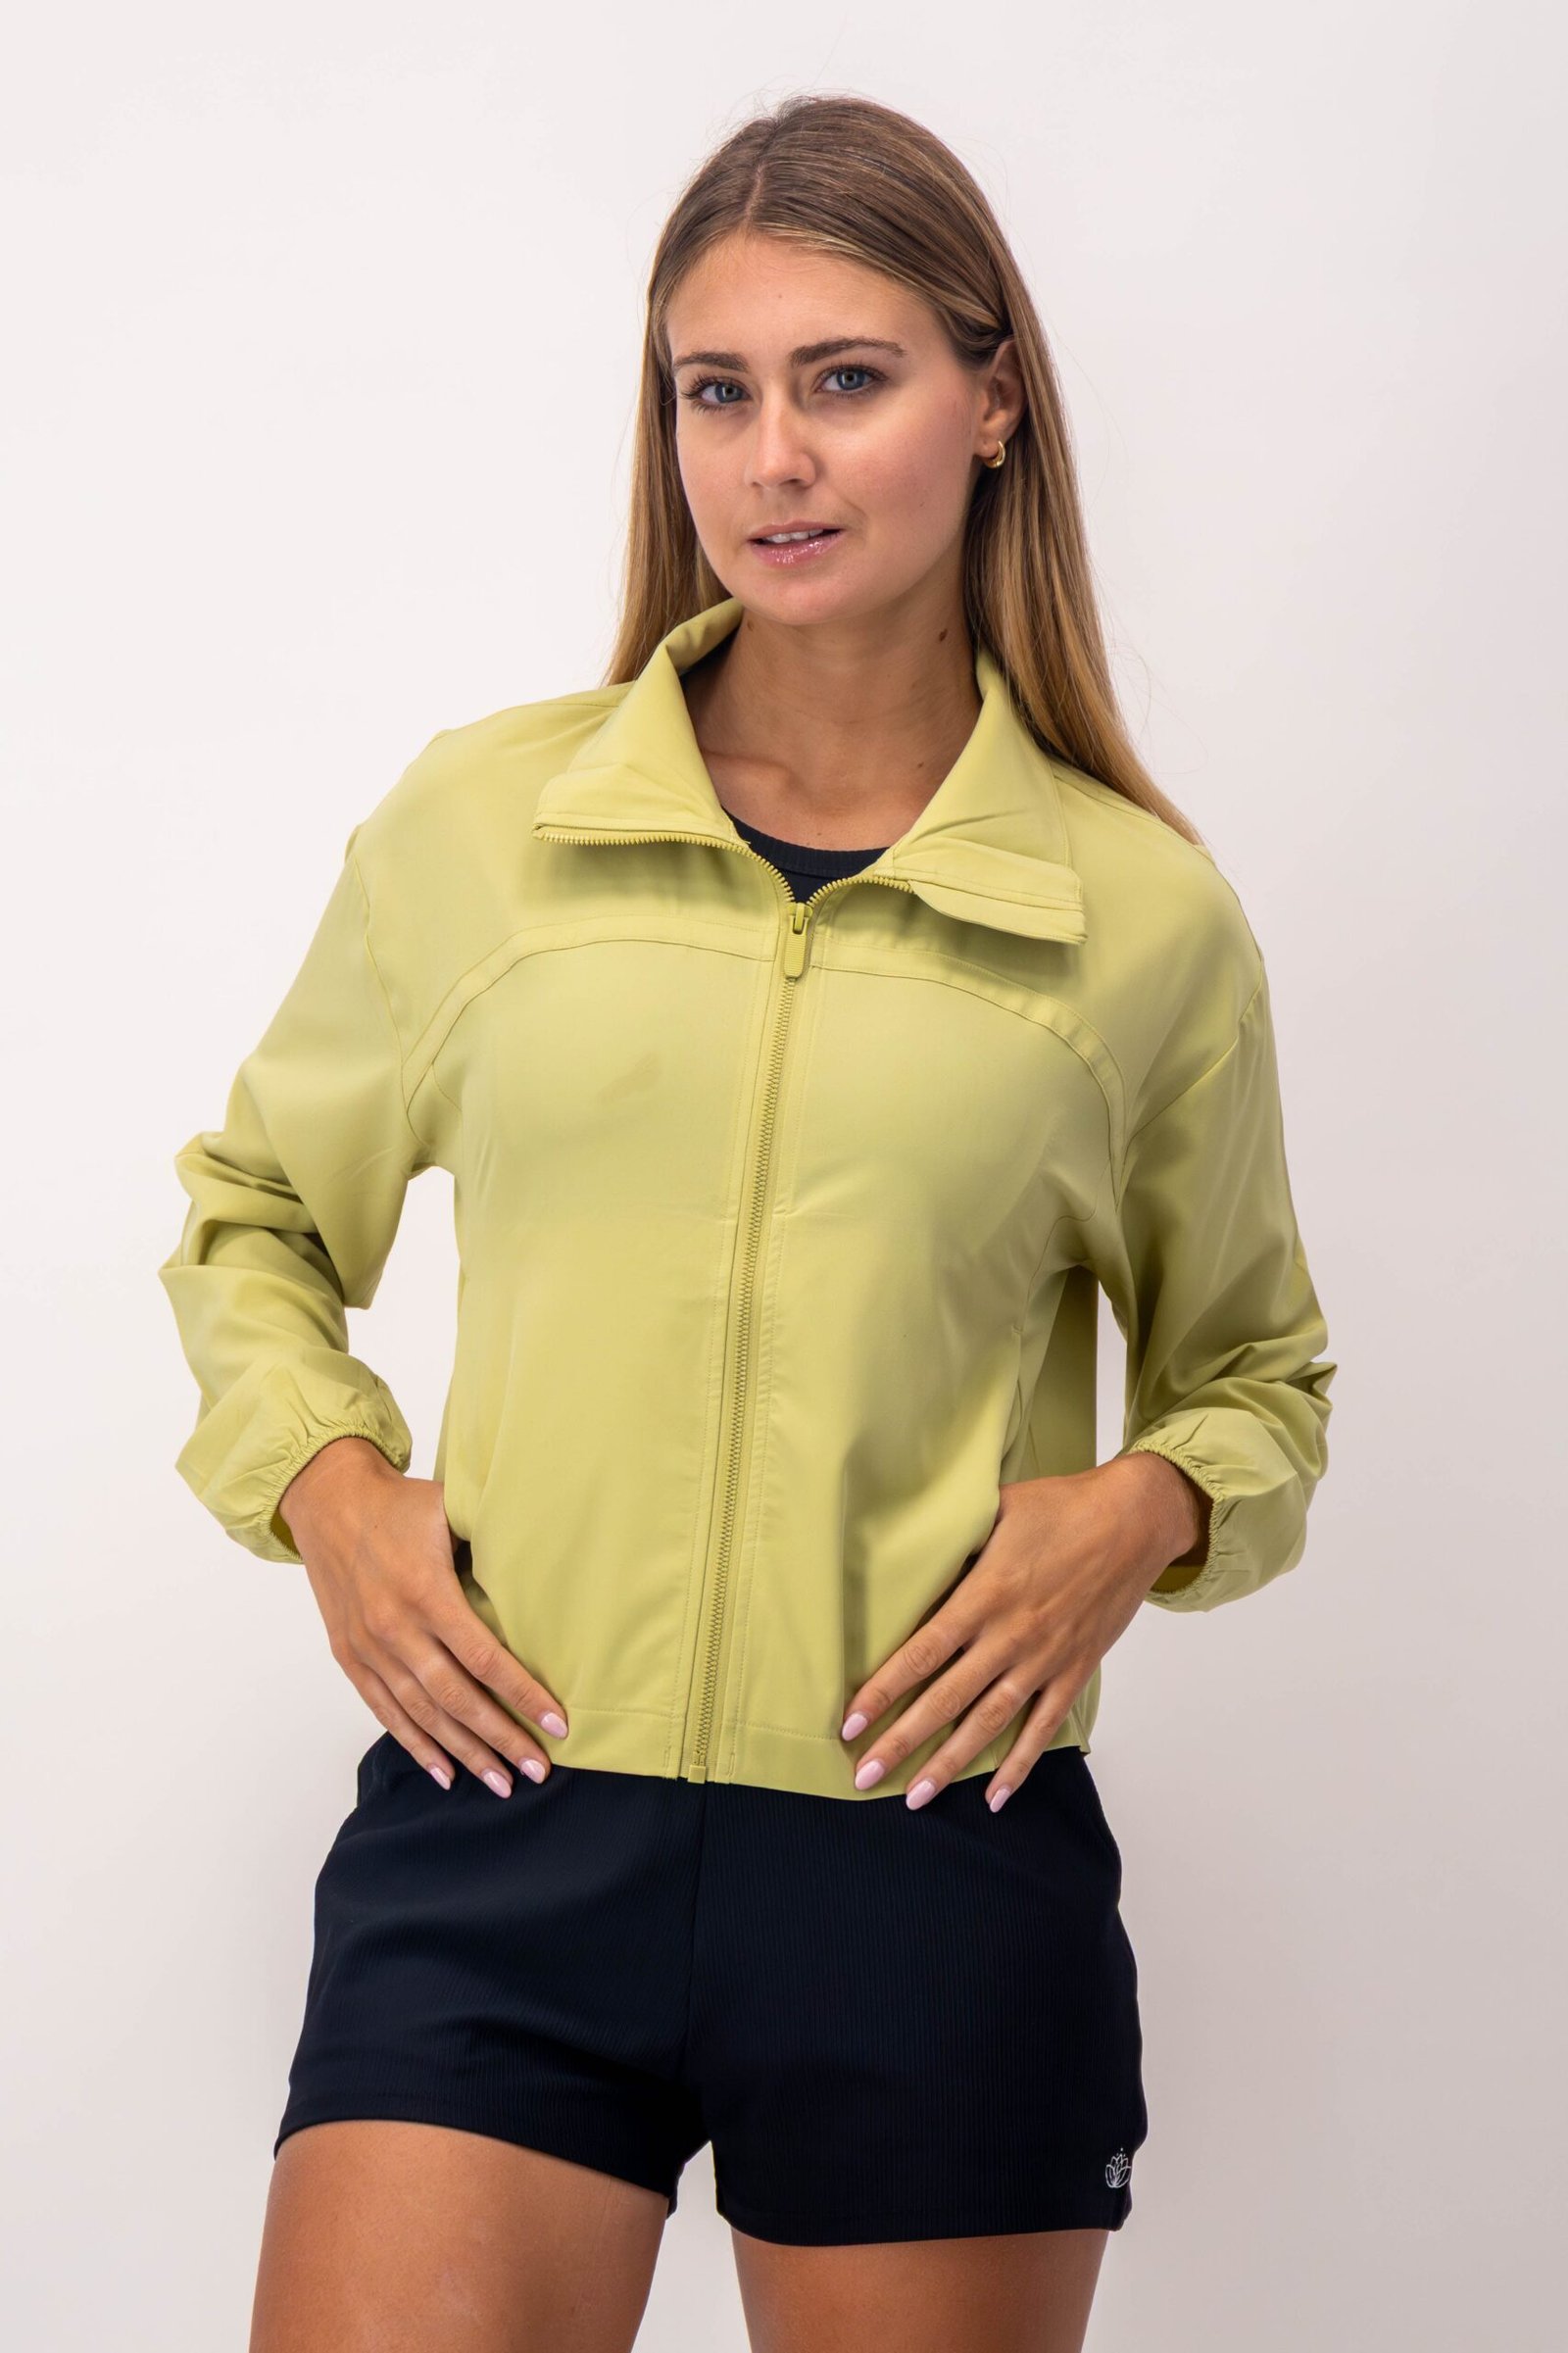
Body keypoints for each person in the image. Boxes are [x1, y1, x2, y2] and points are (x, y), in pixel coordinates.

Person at [159, 92, 1336, 2353]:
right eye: (716, 390)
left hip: (925, 1854)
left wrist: (1145, 1509)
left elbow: (1256, 1374)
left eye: (843, 378)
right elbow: (253, 1215)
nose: (770, 456)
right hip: (499, 1818)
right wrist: (328, 1489)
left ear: (991, 403)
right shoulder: (488, 828)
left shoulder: (1135, 919)